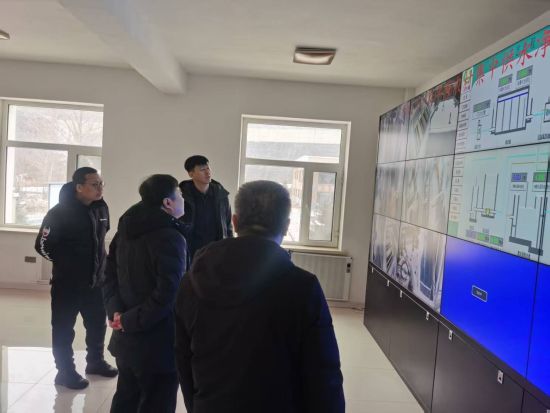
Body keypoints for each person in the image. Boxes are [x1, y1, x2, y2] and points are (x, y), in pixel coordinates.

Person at [174, 180, 345, 413]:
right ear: (286, 226)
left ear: (234, 222)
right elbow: (323, 374)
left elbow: (183, 359)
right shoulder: (302, 287)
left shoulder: (191, 282)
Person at [103, 174, 187, 413]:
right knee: (157, 401)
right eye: (180, 195)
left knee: (126, 397)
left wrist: (116, 313)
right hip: (157, 342)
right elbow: (169, 293)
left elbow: (108, 276)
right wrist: (128, 320)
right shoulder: (170, 237)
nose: (183, 200)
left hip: (126, 337)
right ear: (167, 203)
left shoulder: (125, 231)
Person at [35, 167, 118, 390]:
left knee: (97, 325)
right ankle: (65, 372)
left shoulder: (101, 208)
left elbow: (100, 241)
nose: (100, 188)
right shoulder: (59, 213)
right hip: (68, 284)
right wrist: (66, 264)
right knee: (63, 329)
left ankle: (95, 362)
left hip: (96, 282)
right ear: (79, 187)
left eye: (101, 184)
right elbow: (42, 245)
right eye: (94, 184)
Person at [179, 155, 233, 261]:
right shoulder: (181, 196)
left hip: (216, 251)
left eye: (208, 168)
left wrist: (230, 248)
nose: (207, 172)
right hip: (190, 251)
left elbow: (228, 224)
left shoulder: (221, 195)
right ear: (191, 174)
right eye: (202, 169)